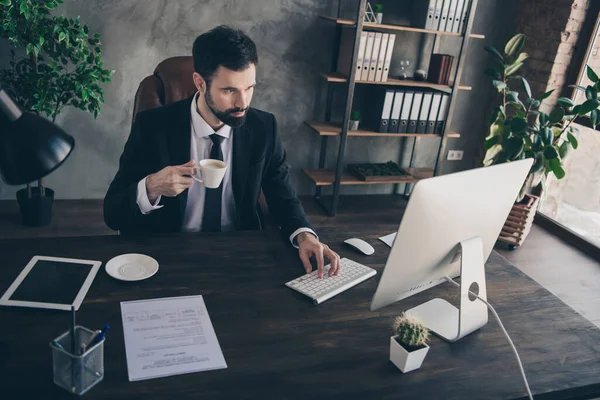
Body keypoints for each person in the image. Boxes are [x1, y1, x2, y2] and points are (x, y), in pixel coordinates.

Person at [104, 25, 340, 278]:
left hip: (240, 255)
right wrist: (150, 187)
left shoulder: (264, 128)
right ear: (199, 83)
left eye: (249, 88)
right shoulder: (153, 127)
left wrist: (305, 236)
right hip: (169, 256)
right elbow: (112, 214)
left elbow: (284, 198)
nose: (242, 103)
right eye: (229, 90)